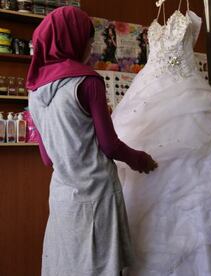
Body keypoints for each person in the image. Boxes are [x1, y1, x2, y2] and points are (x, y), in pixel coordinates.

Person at [27, 7, 157, 276]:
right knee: (100, 266)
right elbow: (109, 145)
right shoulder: (87, 81)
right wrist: (140, 160)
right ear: (72, 39)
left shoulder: (36, 92)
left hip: (63, 196)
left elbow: (47, 158)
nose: (91, 44)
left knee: (68, 266)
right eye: (88, 38)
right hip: (96, 192)